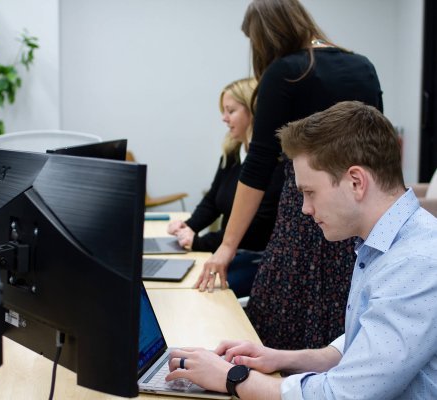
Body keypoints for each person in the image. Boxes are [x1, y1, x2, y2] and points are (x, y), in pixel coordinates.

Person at [166, 101, 437, 399]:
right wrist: (282, 357)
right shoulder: (390, 241)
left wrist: (232, 378)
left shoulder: (418, 262)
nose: (306, 209)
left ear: (356, 182)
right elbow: (368, 342)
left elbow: (344, 394)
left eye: (310, 192)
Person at [196, 0, 384, 350]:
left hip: (305, 216)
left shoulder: (285, 72)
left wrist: (226, 246)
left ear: (265, 34)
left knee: (282, 324)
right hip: (360, 211)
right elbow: (379, 152)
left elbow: (258, 166)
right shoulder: (363, 66)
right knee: (345, 325)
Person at [167, 78, 284, 298]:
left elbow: (257, 227)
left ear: (253, 112)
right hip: (230, 251)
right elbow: (213, 200)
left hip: (258, 258)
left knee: (199, 290)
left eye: (230, 111)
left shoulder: (276, 164)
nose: (224, 118)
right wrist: (189, 226)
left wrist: (200, 243)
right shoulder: (233, 153)